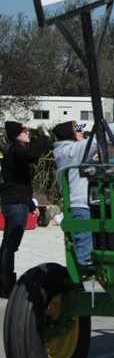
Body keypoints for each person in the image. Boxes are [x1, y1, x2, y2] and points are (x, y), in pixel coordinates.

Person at [53, 105, 114, 268]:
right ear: (70, 136)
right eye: (78, 131)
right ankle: (83, 283)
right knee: (84, 251)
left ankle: (80, 280)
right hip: (80, 206)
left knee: (78, 245)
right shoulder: (73, 151)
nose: (82, 133)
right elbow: (98, 139)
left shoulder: (64, 152)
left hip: (74, 205)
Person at [0, 122, 49, 297]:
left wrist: (30, 204)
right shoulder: (17, 150)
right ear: (16, 136)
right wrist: (45, 137)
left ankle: (3, 283)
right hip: (14, 204)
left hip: (13, 202)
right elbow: (33, 155)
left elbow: (19, 183)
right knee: (10, 246)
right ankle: (7, 286)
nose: (27, 133)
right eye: (23, 131)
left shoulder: (12, 152)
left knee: (7, 244)